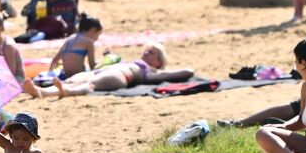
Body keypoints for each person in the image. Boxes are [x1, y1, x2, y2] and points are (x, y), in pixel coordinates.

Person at [35, 42, 193, 98]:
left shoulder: (153, 72)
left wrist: (169, 71)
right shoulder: (135, 62)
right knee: (72, 80)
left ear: (159, 62)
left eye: (151, 53)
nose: (146, 53)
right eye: (145, 50)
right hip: (102, 71)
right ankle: (42, 90)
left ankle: (51, 93)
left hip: (119, 76)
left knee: (91, 84)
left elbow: (187, 72)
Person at [48, 15, 102, 79]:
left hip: (66, 76)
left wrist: (50, 74)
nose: (97, 38)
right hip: (79, 77)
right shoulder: (89, 42)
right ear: (93, 30)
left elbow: (55, 60)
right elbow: (92, 66)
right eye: (98, 35)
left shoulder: (69, 38)